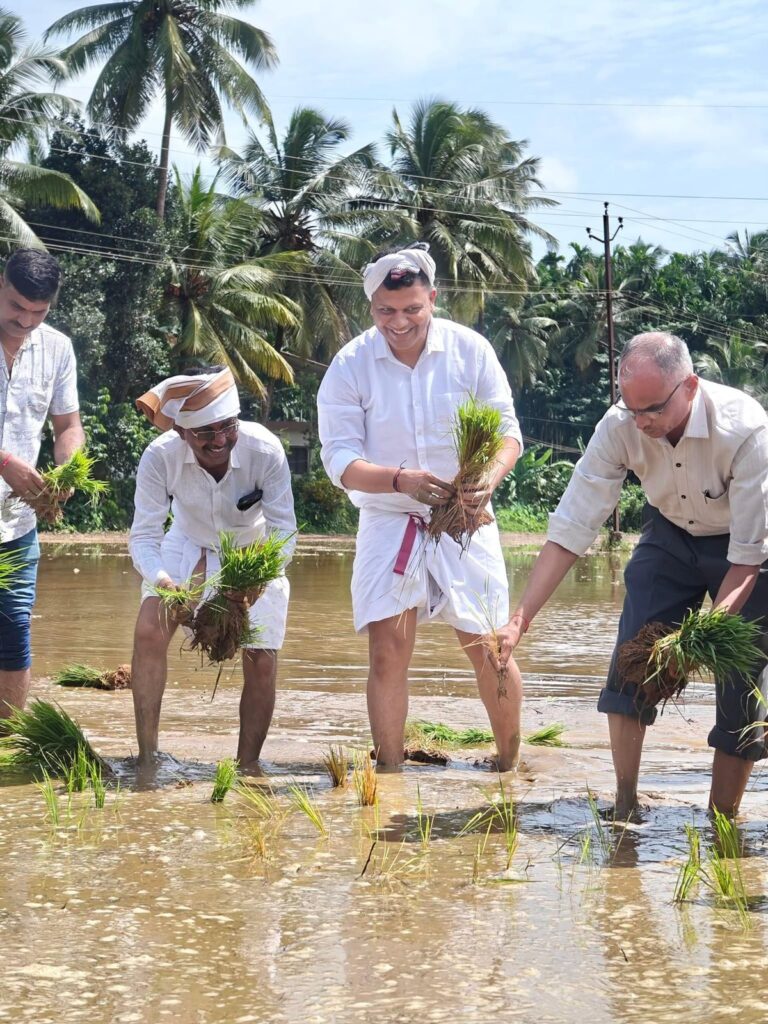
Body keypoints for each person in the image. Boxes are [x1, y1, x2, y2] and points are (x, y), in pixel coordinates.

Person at [493, 331, 768, 817]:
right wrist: (521, 618)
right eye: (631, 408)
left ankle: (721, 821)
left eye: (653, 410)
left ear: (690, 387)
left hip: (744, 547)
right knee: (630, 662)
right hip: (669, 534)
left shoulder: (745, 430)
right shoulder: (620, 423)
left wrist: (697, 639)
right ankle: (624, 806)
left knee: (740, 684)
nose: (641, 423)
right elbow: (572, 526)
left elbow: (747, 559)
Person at [317, 243, 523, 769]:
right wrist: (397, 480)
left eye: (412, 308)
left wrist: (487, 480)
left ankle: (508, 765)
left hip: (466, 518)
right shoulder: (350, 365)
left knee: (491, 648)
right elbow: (339, 460)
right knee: (387, 651)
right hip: (389, 516)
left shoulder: (470, 351)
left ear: (432, 298)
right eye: (385, 311)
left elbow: (507, 434)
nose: (399, 322)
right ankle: (387, 770)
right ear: (370, 307)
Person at [129, 366, 296, 769]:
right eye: (205, 432)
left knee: (262, 657)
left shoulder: (265, 450)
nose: (219, 440)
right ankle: (148, 756)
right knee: (149, 630)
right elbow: (144, 536)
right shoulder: (159, 457)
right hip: (187, 541)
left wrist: (254, 582)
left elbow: (284, 532)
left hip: (253, 550)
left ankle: (247, 766)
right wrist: (164, 582)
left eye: (227, 427)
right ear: (182, 432)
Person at [0, 248, 85, 717]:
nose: (26, 320)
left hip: (15, 525)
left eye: (39, 311)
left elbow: (68, 425)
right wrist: (5, 462)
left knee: (14, 632)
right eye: (17, 307)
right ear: (1, 283)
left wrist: (65, 469)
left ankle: (8, 743)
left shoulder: (57, 348)